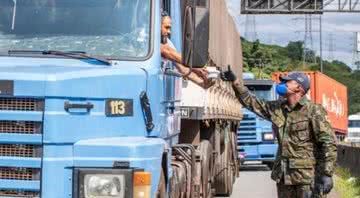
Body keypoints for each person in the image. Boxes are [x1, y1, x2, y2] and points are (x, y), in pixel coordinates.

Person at [221, 67, 337, 198]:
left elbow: (328, 143)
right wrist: (235, 82)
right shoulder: (278, 109)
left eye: (287, 82)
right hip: (283, 177)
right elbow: (252, 102)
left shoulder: (313, 111)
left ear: (299, 87)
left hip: (307, 180)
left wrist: (327, 174)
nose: (282, 84)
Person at [160, 11, 213, 88]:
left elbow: (183, 68)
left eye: (170, 28)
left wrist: (201, 83)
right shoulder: (146, 39)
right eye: (166, 27)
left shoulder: (167, 41)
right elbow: (167, 51)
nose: (169, 32)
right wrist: (195, 66)